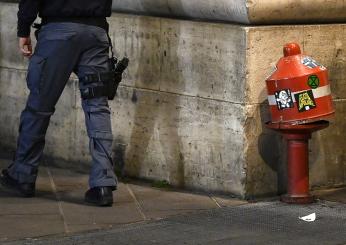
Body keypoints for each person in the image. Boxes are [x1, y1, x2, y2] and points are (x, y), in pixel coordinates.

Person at [0, 0, 121, 207]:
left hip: (58, 32)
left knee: (39, 108)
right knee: (97, 106)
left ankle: (22, 175)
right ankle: (103, 184)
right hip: (96, 31)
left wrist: (23, 30)